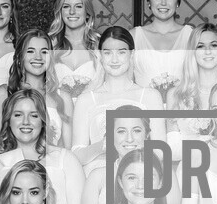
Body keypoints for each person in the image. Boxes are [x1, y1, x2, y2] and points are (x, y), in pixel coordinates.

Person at [70, 25, 164, 168]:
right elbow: (76, 154)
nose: (114, 60)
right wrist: (102, 145)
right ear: (100, 56)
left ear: (131, 55)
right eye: (108, 53)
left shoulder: (150, 96)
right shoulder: (86, 100)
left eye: (121, 52)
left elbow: (160, 150)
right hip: (98, 174)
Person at [0, 29, 68, 149]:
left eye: (44, 52)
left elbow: (68, 148)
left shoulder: (62, 97)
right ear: (20, 56)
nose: (38, 57)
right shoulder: (3, 94)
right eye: (30, 51)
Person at [131, 0, 192, 89]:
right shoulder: (134, 36)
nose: (163, 3)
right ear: (149, 2)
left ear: (178, 2)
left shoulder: (191, 35)